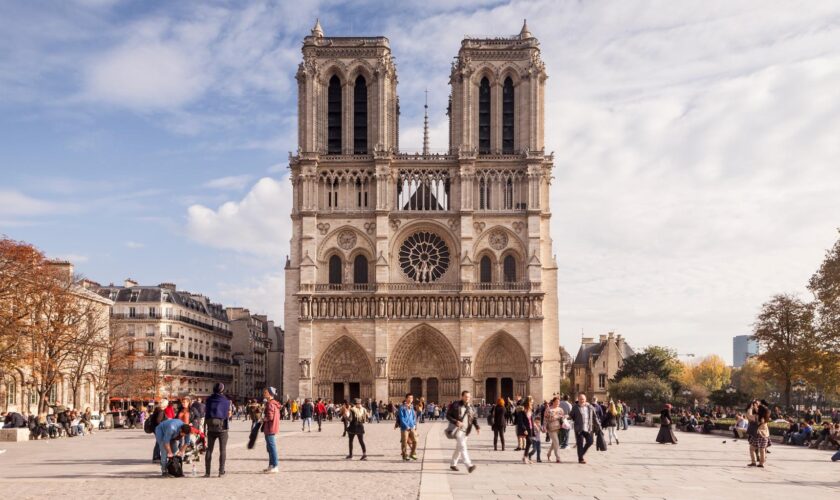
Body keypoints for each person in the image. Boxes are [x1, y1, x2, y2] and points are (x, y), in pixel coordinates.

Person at [447, 390, 480, 473]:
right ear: (462, 396)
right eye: (466, 396)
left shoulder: (471, 407)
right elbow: (448, 415)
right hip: (458, 429)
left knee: (459, 448)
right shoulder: (455, 405)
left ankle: (453, 464)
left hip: (466, 430)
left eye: (469, 397)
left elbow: (474, 418)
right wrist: (456, 421)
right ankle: (469, 465)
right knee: (463, 446)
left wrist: (477, 427)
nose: (467, 398)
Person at [203, 383, 231, 478]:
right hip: (222, 428)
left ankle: (207, 472)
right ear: (222, 390)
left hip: (211, 428)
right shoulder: (226, 401)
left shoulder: (209, 400)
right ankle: (221, 471)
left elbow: (206, 413)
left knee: (209, 450)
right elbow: (228, 415)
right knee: (222, 450)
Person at [569, 393, 601, 464]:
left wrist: (599, 426)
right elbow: (571, 415)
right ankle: (581, 459)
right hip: (579, 428)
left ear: (585, 399)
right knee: (580, 443)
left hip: (588, 428)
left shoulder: (590, 407)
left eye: (583, 399)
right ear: (578, 399)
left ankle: (581, 454)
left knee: (590, 441)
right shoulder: (575, 407)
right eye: (580, 399)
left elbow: (594, 417)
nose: (581, 400)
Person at [262, 387, 281, 473]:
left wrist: (262, 419)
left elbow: (270, 417)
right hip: (272, 427)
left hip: (270, 428)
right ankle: (271, 465)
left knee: (272, 448)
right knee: (269, 448)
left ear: (270, 394)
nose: (264, 393)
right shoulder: (274, 403)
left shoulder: (270, 404)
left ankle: (275, 465)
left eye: (265, 392)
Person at [396, 393, 418, 461]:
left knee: (415, 441)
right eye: (410, 398)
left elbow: (414, 417)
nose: (411, 399)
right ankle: (405, 455)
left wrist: (414, 425)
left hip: (412, 427)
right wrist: (406, 426)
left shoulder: (411, 407)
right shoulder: (402, 407)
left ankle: (412, 453)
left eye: (412, 398)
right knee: (404, 442)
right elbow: (402, 418)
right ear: (406, 398)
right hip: (404, 428)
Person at [543, 397, 564, 463]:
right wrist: (544, 427)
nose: (558, 403)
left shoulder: (560, 409)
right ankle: (558, 457)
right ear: (553, 402)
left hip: (559, 428)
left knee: (554, 443)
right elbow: (545, 419)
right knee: (556, 442)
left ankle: (549, 453)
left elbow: (562, 418)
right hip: (551, 428)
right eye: (556, 402)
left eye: (559, 402)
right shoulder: (548, 409)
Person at [517, 399, 534, 464]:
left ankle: (525, 457)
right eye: (531, 403)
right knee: (529, 441)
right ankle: (525, 457)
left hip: (530, 428)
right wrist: (524, 429)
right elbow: (520, 422)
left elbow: (531, 420)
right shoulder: (522, 411)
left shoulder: (530, 411)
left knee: (529, 442)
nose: (532, 404)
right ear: (527, 404)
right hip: (526, 429)